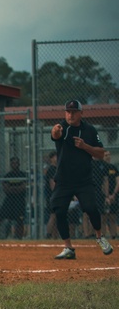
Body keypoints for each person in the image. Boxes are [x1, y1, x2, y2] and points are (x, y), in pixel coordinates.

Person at [49, 100, 112, 259]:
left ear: (81, 113)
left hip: (84, 180)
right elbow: (55, 134)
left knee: (91, 208)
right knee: (60, 210)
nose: (70, 114)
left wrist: (85, 147)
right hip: (63, 180)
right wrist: (55, 131)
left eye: (74, 112)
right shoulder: (62, 127)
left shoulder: (90, 130)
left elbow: (101, 153)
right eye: (68, 111)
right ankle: (68, 247)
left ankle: (99, 237)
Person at [0, 157, 27, 239]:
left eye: (16, 163)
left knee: (20, 220)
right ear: (10, 165)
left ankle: (19, 237)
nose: (15, 165)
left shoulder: (23, 175)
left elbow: (23, 187)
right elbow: (6, 189)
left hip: (20, 201)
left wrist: (14, 189)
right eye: (13, 163)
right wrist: (16, 189)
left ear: (19, 164)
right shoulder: (8, 175)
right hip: (9, 201)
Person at [100, 151, 118, 239]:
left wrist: (113, 194)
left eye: (109, 155)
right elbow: (102, 183)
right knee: (103, 217)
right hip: (103, 196)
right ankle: (103, 237)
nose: (108, 157)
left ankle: (114, 236)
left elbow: (118, 181)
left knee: (112, 217)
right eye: (105, 155)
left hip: (113, 195)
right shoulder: (100, 167)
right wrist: (106, 196)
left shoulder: (113, 168)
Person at [43, 152, 59, 239]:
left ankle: (54, 236)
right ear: (51, 159)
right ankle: (48, 234)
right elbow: (52, 184)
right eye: (55, 157)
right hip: (53, 196)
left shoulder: (57, 169)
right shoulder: (52, 169)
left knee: (56, 216)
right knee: (53, 215)